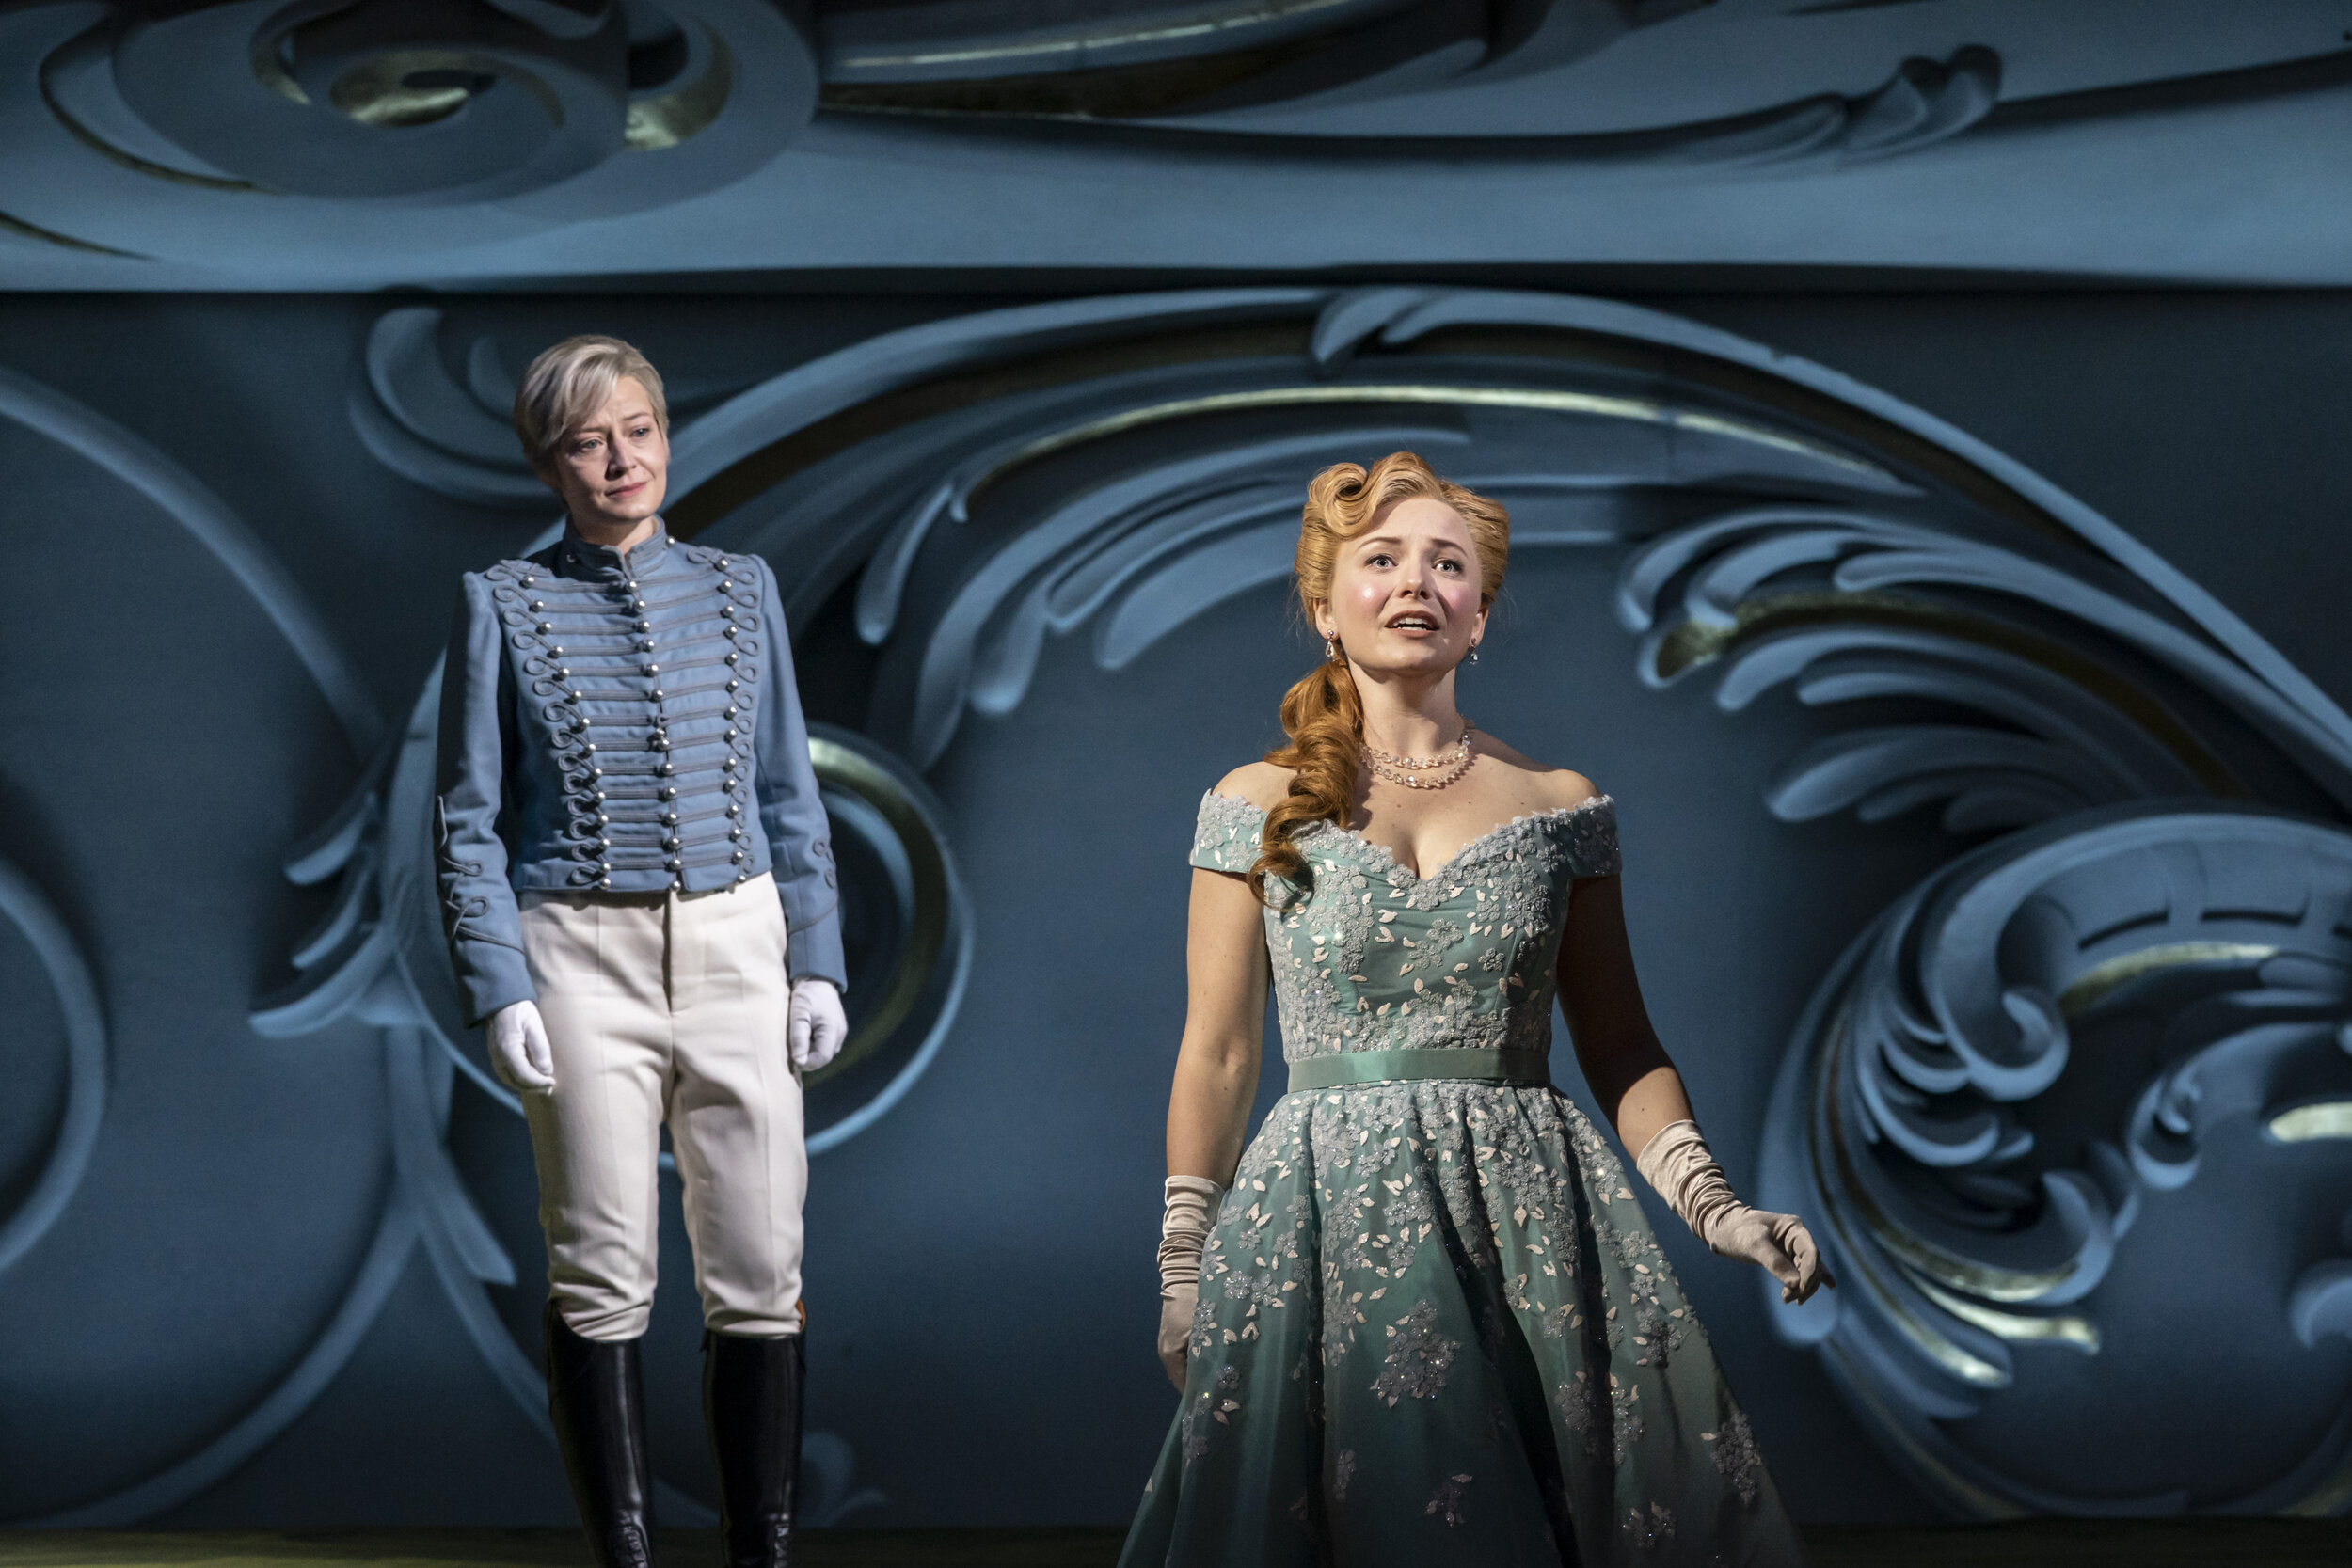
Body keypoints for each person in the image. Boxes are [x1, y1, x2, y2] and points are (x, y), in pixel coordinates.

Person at [1121, 452, 1830, 1567]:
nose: (1417, 582)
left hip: (1530, 1226)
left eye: (1448, 564)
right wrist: (1180, 1267)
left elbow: (1620, 1041)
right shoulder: (1249, 804)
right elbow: (1217, 1051)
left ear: (1481, 615)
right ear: (1324, 605)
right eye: (1383, 559)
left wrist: (1719, 1211)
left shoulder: (1562, 805)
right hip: (1317, 1224)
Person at [434, 335, 850, 1568]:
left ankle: (759, 1547)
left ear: (665, 435)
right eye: (587, 440)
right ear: (548, 461)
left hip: (738, 939)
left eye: (638, 430)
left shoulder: (740, 586)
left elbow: (789, 787)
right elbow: (466, 811)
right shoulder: (503, 601)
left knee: (763, 1259)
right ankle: (624, 1553)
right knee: (602, 1261)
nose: (621, 459)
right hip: (578, 953)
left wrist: (815, 955)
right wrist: (498, 975)